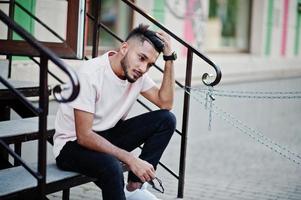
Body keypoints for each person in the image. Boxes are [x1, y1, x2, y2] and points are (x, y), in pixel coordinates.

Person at [53, 24, 177, 200]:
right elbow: (84, 135)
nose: (143, 68)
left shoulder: (136, 74)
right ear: (124, 48)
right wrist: (131, 160)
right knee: (112, 166)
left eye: (149, 65)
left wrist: (169, 58)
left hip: (105, 135)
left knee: (166, 119)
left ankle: (134, 187)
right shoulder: (90, 75)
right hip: (71, 146)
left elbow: (166, 103)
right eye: (141, 58)